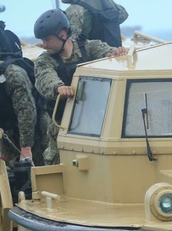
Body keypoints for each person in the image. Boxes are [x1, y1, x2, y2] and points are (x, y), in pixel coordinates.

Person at [32, 9, 127, 164]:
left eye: (47, 39)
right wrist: (59, 87)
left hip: (96, 122)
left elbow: (109, 53)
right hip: (62, 124)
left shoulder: (89, 48)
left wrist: (117, 53)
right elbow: (44, 78)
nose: (44, 44)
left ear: (62, 34)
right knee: (58, 163)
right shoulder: (45, 60)